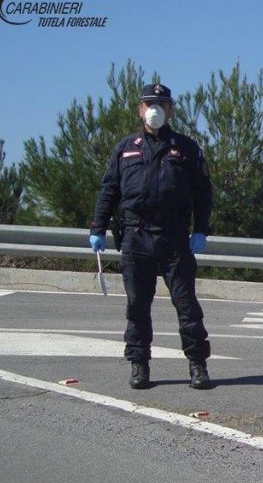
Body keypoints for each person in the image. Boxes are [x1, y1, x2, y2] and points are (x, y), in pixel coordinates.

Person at [88, 82, 214, 390]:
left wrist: (200, 229)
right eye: (149, 104)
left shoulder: (186, 148)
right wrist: (97, 228)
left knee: (186, 305)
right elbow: (109, 190)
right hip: (135, 236)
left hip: (173, 237)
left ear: (170, 110)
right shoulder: (125, 147)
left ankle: (198, 365)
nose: (155, 109)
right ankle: (139, 365)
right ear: (140, 110)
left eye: (161, 104)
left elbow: (203, 192)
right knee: (137, 306)